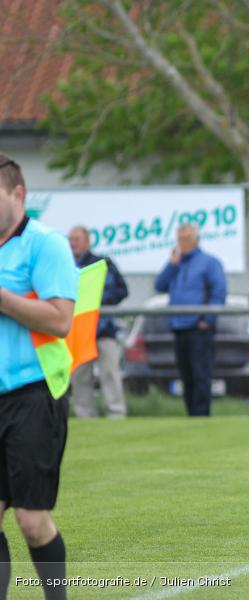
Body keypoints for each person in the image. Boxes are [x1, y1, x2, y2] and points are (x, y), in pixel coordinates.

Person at [0, 154, 76, 600]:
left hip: (33, 396)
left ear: (18, 194)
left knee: (32, 520)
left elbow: (60, 320)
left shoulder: (46, 244)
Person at [154, 223, 226, 416]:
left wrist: (207, 319)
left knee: (201, 374)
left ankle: (201, 416)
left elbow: (218, 293)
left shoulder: (209, 262)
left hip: (199, 327)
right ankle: (190, 415)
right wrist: (172, 265)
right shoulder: (176, 264)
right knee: (186, 376)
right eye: (179, 239)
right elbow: (159, 285)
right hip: (178, 326)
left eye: (185, 239)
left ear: (195, 240)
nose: (181, 243)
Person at [68, 225, 129, 418]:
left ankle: (116, 413)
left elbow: (122, 291)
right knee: (80, 375)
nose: (73, 243)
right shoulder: (65, 264)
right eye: (71, 239)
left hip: (104, 328)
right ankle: (85, 414)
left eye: (77, 239)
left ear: (87, 241)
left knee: (110, 373)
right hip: (78, 329)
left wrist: (97, 300)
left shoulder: (103, 263)